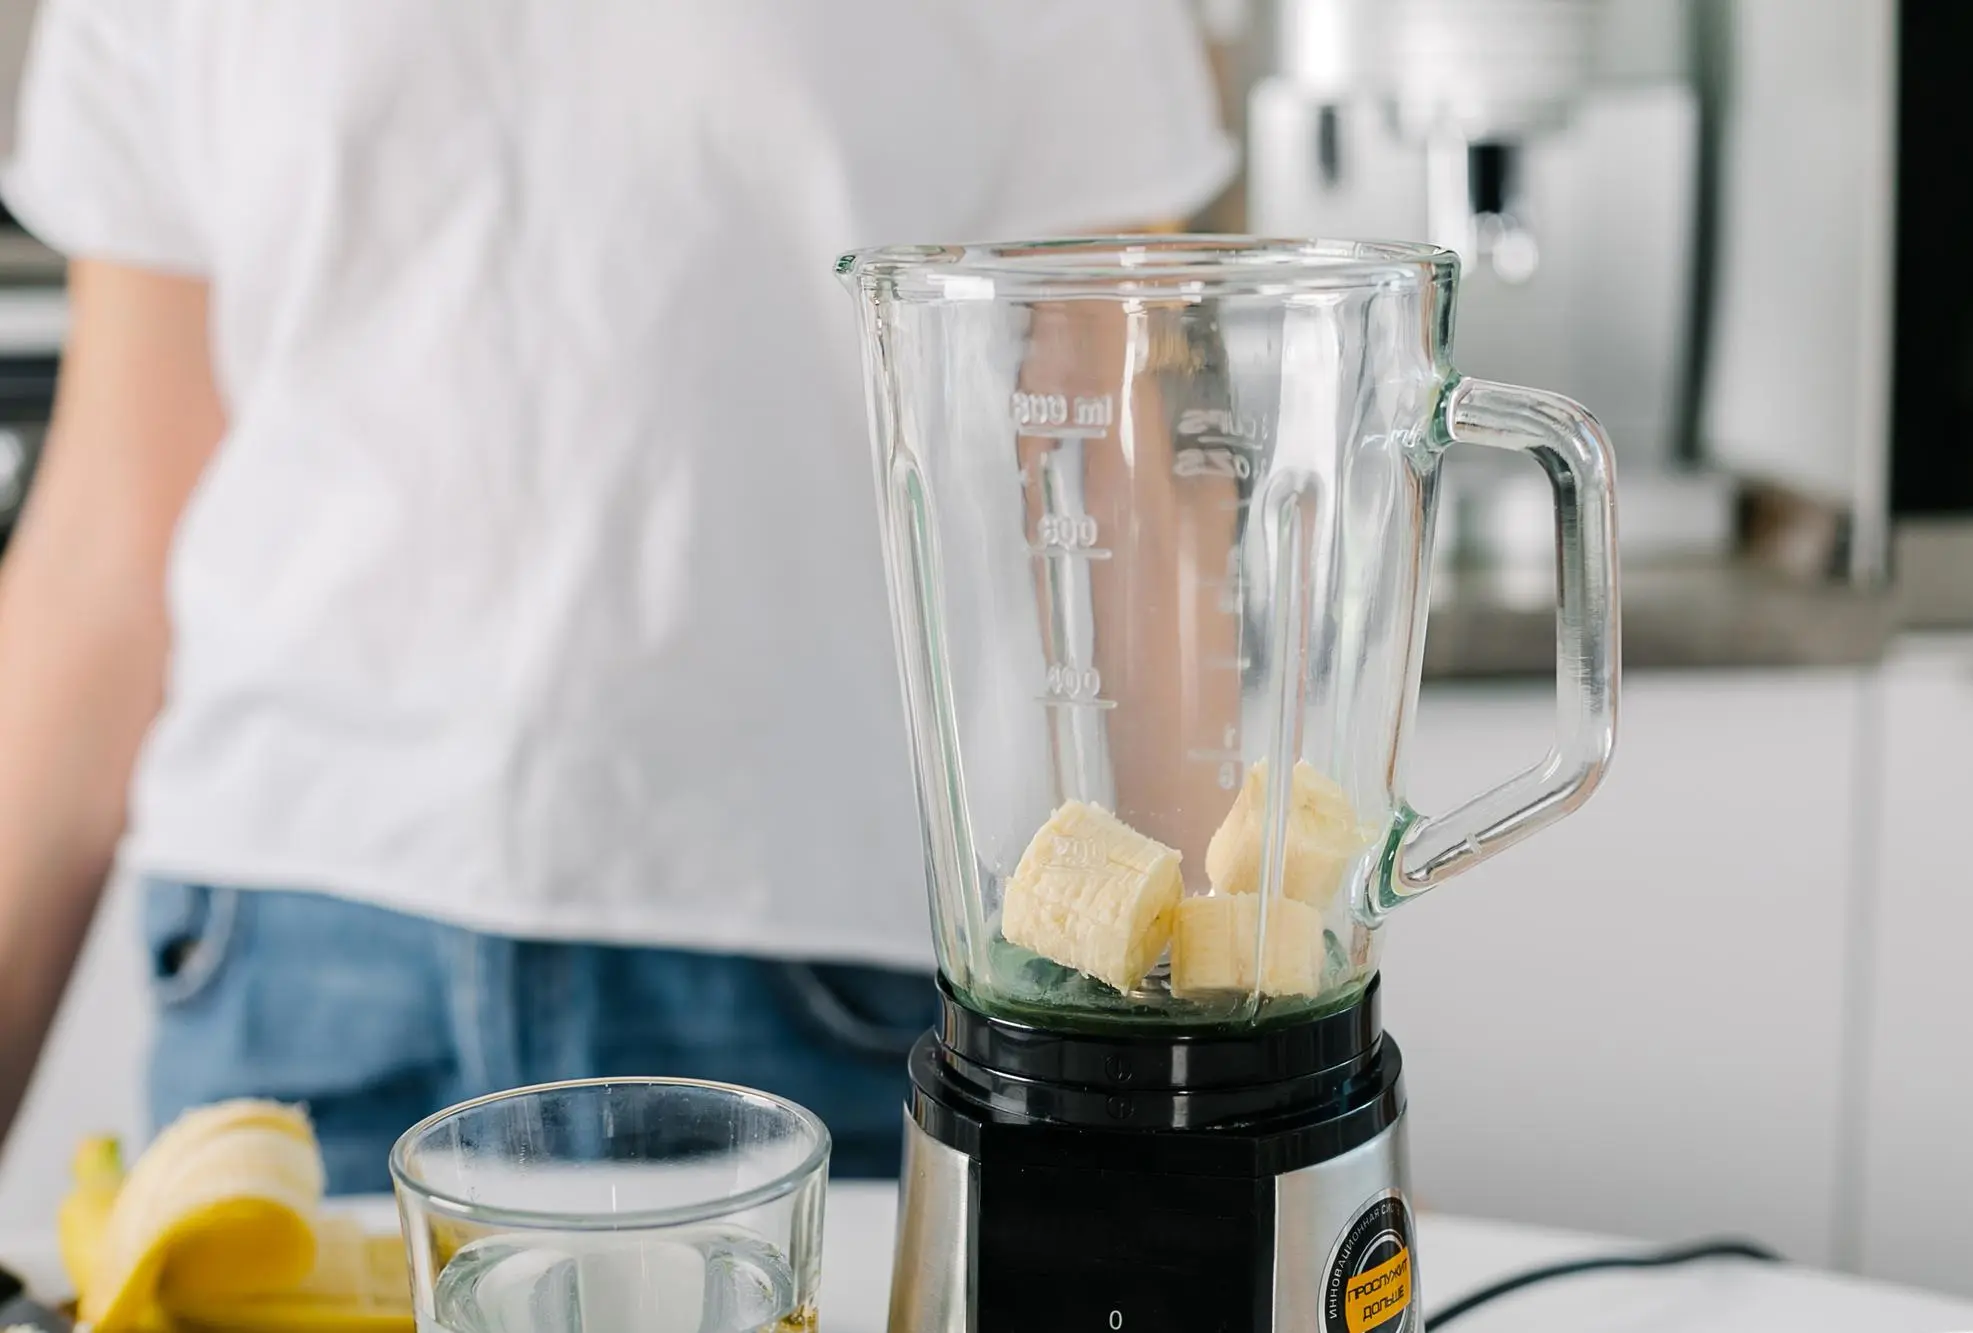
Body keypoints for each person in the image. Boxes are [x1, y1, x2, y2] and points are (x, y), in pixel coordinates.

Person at [0, 1, 1234, 1191]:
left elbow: (1134, 496)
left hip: (825, 958)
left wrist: (1223, 1066)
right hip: (286, 953)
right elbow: (106, 543)